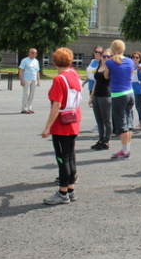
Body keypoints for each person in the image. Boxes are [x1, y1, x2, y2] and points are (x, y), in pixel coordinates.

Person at [41, 47, 81, 205]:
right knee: (70, 157)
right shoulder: (74, 75)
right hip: (73, 121)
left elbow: (56, 105)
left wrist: (47, 127)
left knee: (62, 158)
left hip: (61, 124)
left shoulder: (59, 80)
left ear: (55, 62)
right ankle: (70, 189)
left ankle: (62, 191)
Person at [104, 40, 135, 160]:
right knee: (128, 122)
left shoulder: (110, 62)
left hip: (118, 94)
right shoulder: (130, 61)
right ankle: (127, 148)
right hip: (129, 92)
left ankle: (125, 151)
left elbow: (106, 76)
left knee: (121, 123)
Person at [88, 48, 112, 151]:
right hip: (97, 96)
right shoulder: (99, 67)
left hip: (105, 96)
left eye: (108, 56)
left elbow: (108, 80)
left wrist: (108, 65)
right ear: (101, 57)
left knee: (107, 120)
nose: (106, 58)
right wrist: (91, 97)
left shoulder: (110, 68)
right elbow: (96, 83)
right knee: (99, 120)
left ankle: (106, 141)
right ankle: (100, 139)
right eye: (104, 56)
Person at [82, 46, 102, 132]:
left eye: (99, 52)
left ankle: (100, 124)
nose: (97, 54)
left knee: (99, 107)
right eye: (96, 52)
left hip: (98, 87)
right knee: (94, 107)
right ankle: (98, 123)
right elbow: (89, 75)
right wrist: (83, 83)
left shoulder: (102, 63)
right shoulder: (92, 62)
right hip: (91, 86)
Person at [18, 48, 40, 114]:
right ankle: (24, 108)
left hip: (34, 79)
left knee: (32, 94)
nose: (34, 54)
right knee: (26, 94)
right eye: (32, 53)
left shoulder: (36, 61)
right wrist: (21, 80)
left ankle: (29, 107)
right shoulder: (25, 60)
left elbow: (37, 71)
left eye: (35, 53)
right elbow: (20, 71)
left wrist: (38, 81)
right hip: (26, 79)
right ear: (29, 53)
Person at [130, 51, 141, 130]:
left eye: (137, 57)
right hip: (130, 86)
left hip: (138, 87)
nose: (135, 59)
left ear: (140, 59)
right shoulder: (131, 66)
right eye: (134, 57)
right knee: (129, 106)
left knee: (138, 106)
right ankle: (130, 122)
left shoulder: (140, 66)